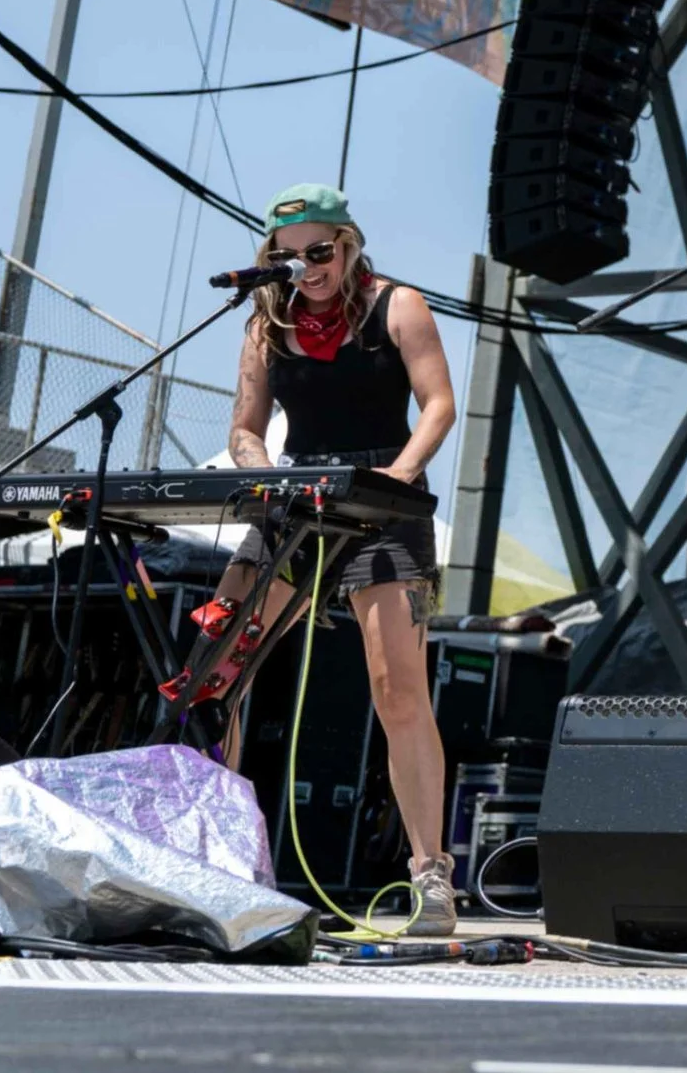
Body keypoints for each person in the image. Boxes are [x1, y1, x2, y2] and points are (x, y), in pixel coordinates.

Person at [219, 183, 461, 935]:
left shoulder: (399, 305)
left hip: (381, 502)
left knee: (397, 691)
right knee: (215, 668)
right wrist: (263, 471)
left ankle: (431, 877)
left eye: (320, 251)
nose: (308, 266)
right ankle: (213, 855)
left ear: (348, 245)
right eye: (289, 255)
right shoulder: (265, 322)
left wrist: (400, 474)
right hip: (296, 500)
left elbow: (440, 405)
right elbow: (245, 429)